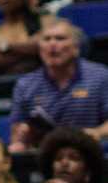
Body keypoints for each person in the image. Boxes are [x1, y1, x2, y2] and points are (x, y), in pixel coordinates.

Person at [11, 16, 108, 150]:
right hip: (46, 157)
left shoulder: (100, 76)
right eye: (46, 39)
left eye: (60, 38)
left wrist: (97, 132)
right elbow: (16, 133)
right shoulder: (25, 84)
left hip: (91, 153)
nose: (52, 44)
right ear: (40, 49)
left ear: (76, 47)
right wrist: (22, 136)